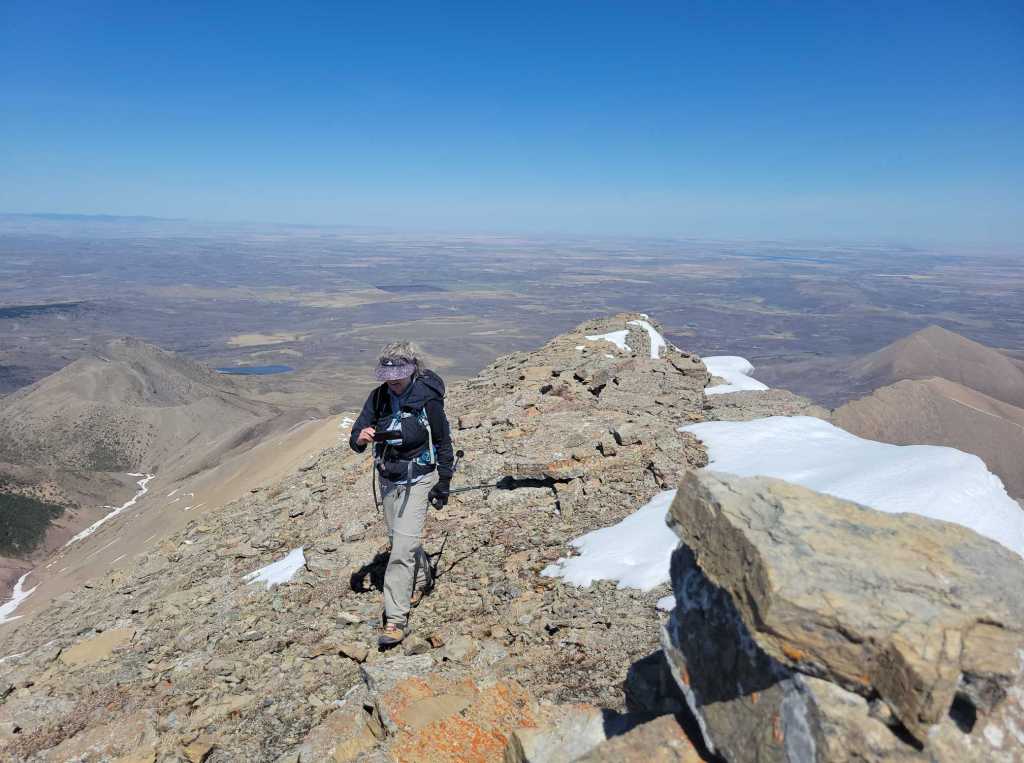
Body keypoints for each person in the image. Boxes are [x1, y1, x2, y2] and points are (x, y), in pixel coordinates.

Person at [349, 341, 454, 646]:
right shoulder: (379, 397)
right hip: (389, 478)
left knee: (400, 550)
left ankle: (396, 620)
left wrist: (443, 480)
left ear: (411, 370)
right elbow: (355, 438)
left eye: (398, 375)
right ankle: (422, 579)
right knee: (400, 541)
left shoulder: (427, 399)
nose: (392, 381)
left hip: (420, 477)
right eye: (388, 375)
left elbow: (444, 441)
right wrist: (361, 437)